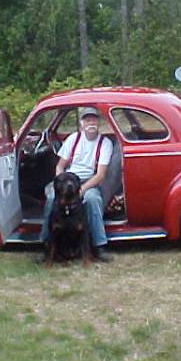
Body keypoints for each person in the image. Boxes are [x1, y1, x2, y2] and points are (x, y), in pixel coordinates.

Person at [40, 107, 114, 262]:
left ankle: (99, 246)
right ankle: (45, 244)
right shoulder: (73, 138)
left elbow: (100, 175)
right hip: (68, 179)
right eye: (87, 120)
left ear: (98, 122)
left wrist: (81, 190)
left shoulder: (105, 143)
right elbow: (60, 166)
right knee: (51, 198)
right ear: (81, 123)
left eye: (94, 119)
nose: (91, 123)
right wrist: (60, 185)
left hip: (89, 181)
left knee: (93, 200)